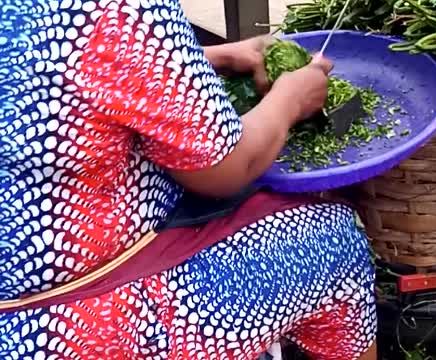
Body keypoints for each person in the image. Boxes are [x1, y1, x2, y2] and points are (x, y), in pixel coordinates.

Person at [0, 1, 377, 359]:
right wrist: (292, 100)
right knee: (333, 239)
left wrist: (213, 57)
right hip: (65, 322)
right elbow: (226, 169)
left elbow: (49, 64)